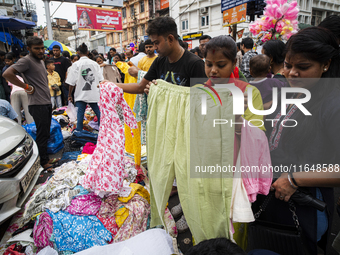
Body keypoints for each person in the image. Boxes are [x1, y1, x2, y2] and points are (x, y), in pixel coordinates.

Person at [255, 26, 340, 255]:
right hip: (276, 198)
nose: (292, 73)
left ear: (326, 64)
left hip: (305, 204)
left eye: (303, 67)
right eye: (288, 65)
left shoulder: (333, 104)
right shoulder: (296, 90)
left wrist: (294, 179)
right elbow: (267, 112)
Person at [3, 36, 60, 171]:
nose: (40, 51)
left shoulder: (40, 61)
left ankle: (44, 157)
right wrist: (26, 87)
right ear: (29, 49)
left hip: (45, 102)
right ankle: (43, 163)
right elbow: (7, 73)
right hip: (37, 104)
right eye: (37, 49)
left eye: (42, 48)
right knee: (42, 133)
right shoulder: (26, 61)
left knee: (45, 132)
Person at [113, 16, 206, 95]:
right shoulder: (159, 61)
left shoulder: (195, 64)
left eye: (156, 43)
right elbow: (140, 87)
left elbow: (203, 102)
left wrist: (160, 92)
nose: (154, 47)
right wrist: (112, 85)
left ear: (170, 39)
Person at [204, 35, 264, 129]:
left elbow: (258, 135)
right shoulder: (197, 91)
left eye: (221, 65)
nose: (213, 70)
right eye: (209, 64)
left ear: (234, 63)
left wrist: (237, 120)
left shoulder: (249, 92)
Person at [65, 43, 103, 132]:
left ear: (78, 52)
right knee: (98, 112)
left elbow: (71, 82)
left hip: (80, 94)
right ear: (88, 52)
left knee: (80, 114)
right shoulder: (94, 64)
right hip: (94, 93)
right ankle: (102, 131)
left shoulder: (76, 64)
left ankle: (79, 132)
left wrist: (70, 94)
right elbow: (101, 79)